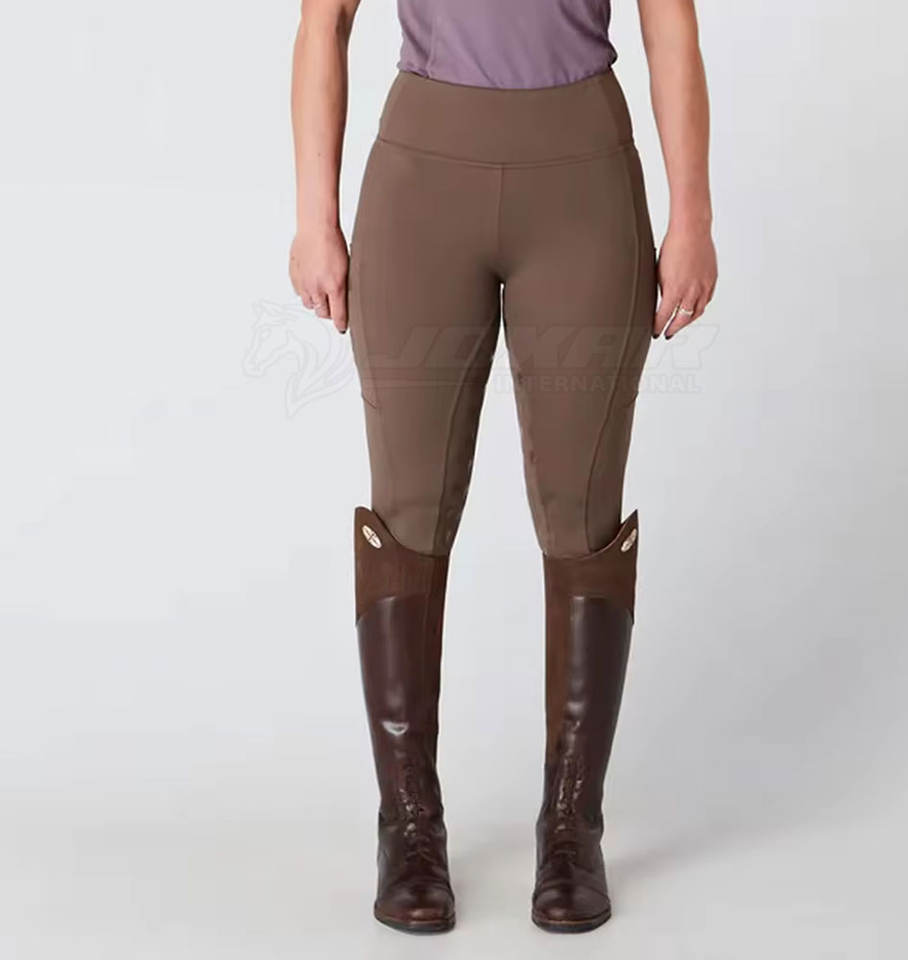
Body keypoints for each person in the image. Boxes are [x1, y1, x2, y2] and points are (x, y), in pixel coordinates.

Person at [289, 0, 717, 935]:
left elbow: (669, 25)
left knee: (584, 512)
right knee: (406, 509)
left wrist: (693, 215)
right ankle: (409, 829)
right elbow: (325, 22)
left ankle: (572, 831)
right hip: (421, 183)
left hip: (584, 181)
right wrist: (314, 218)